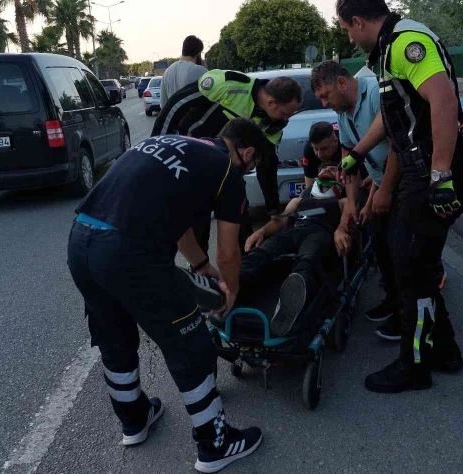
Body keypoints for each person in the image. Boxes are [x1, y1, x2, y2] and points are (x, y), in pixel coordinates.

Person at [66, 118, 267, 472]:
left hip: (81, 240)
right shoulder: (227, 171)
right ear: (248, 153)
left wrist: (200, 264)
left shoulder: (177, 143)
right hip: (129, 252)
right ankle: (215, 443)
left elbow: (180, 224)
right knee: (189, 343)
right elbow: (229, 252)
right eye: (252, 166)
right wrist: (231, 290)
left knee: (113, 334)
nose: (248, 172)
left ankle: (134, 420)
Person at [336, 0, 463, 393]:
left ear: (357, 21)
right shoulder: (387, 51)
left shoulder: (405, 42)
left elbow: (443, 99)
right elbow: (393, 114)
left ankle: (414, 366)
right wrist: (358, 152)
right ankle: (444, 350)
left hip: (430, 173)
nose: (350, 38)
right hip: (420, 172)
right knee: (415, 264)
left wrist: (441, 174)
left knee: (411, 268)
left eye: (347, 30)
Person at [152, 70, 303, 252]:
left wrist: (273, 210)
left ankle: (245, 263)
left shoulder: (273, 125)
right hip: (194, 160)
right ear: (271, 103)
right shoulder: (230, 86)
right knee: (198, 222)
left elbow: (267, 166)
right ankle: (199, 266)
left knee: (240, 222)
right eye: (285, 113)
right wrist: (157, 147)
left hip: (229, 170)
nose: (286, 119)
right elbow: (176, 105)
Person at [309, 60, 400, 342]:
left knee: (400, 249)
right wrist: (351, 204)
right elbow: (350, 162)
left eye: (325, 95)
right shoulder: (344, 114)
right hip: (380, 182)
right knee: (381, 245)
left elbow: (396, 144)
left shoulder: (375, 93)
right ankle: (393, 300)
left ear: (342, 83)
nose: (324, 103)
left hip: (402, 182)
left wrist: (384, 190)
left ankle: (406, 316)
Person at [241, 165, 349, 337]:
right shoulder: (298, 200)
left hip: (319, 233)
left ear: (341, 179)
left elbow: (346, 222)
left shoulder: (343, 202)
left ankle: (291, 302)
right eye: (323, 168)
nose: (327, 170)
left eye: (333, 168)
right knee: (261, 252)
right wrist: (261, 231)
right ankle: (231, 286)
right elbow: (280, 221)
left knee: (307, 261)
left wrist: (340, 229)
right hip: (294, 231)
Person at [160, 35, 208, 108]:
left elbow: (163, 104)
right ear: (198, 53)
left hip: (174, 115)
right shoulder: (200, 71)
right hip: (195, 115)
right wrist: (205, 69)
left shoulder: (167, 72)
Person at [300, 121, 342, 189]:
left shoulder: (346, 144)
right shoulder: (309, 149)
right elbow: (309, 187)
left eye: (324, 149)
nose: (320, 155)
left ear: (335, 141)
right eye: (316, 149)